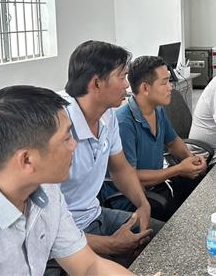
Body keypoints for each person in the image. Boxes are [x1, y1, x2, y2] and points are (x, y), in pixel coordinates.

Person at [0, 85, 133, 275]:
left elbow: (89, 265)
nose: (74, 145)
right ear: (27, 160)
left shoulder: (47, 191)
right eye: (66, 138)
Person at [60, 40, 162, 268]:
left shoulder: (107, 117)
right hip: (65, 238)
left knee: (164, 238)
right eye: (122, 76)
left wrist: (143, 204)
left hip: (95, 216)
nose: (127, 85)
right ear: (96, 83)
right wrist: (110, 245)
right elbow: (46, 233)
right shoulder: (58, 129)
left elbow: (121, 168)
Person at [101, 56, 207, 221]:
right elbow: (130, 176)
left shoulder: (157, 110)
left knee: (199, 181)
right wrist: (178, 169)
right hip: (129, 197)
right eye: (164, 83)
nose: (170, 87)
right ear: (145, 88)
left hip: (156, 184)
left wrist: (191, 159)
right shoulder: (123, 123)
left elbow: (173, 142)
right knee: (175, 213)